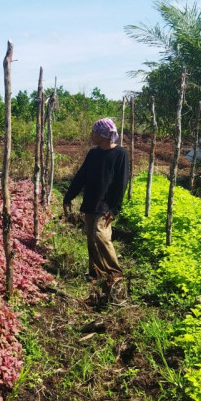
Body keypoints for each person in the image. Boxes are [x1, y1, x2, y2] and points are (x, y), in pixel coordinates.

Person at [63, 117, 129, 287]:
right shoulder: (93, 153)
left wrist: (114, 209)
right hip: (91, 202)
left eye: (94, 132)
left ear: (104, 134)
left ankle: (115, 272)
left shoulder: (120, 154)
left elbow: (121, 184)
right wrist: (68, 196)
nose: (92, 135)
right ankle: (96, 272)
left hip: (106, 205)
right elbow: (81, 176)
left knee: (102, 235)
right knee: (91, 239)